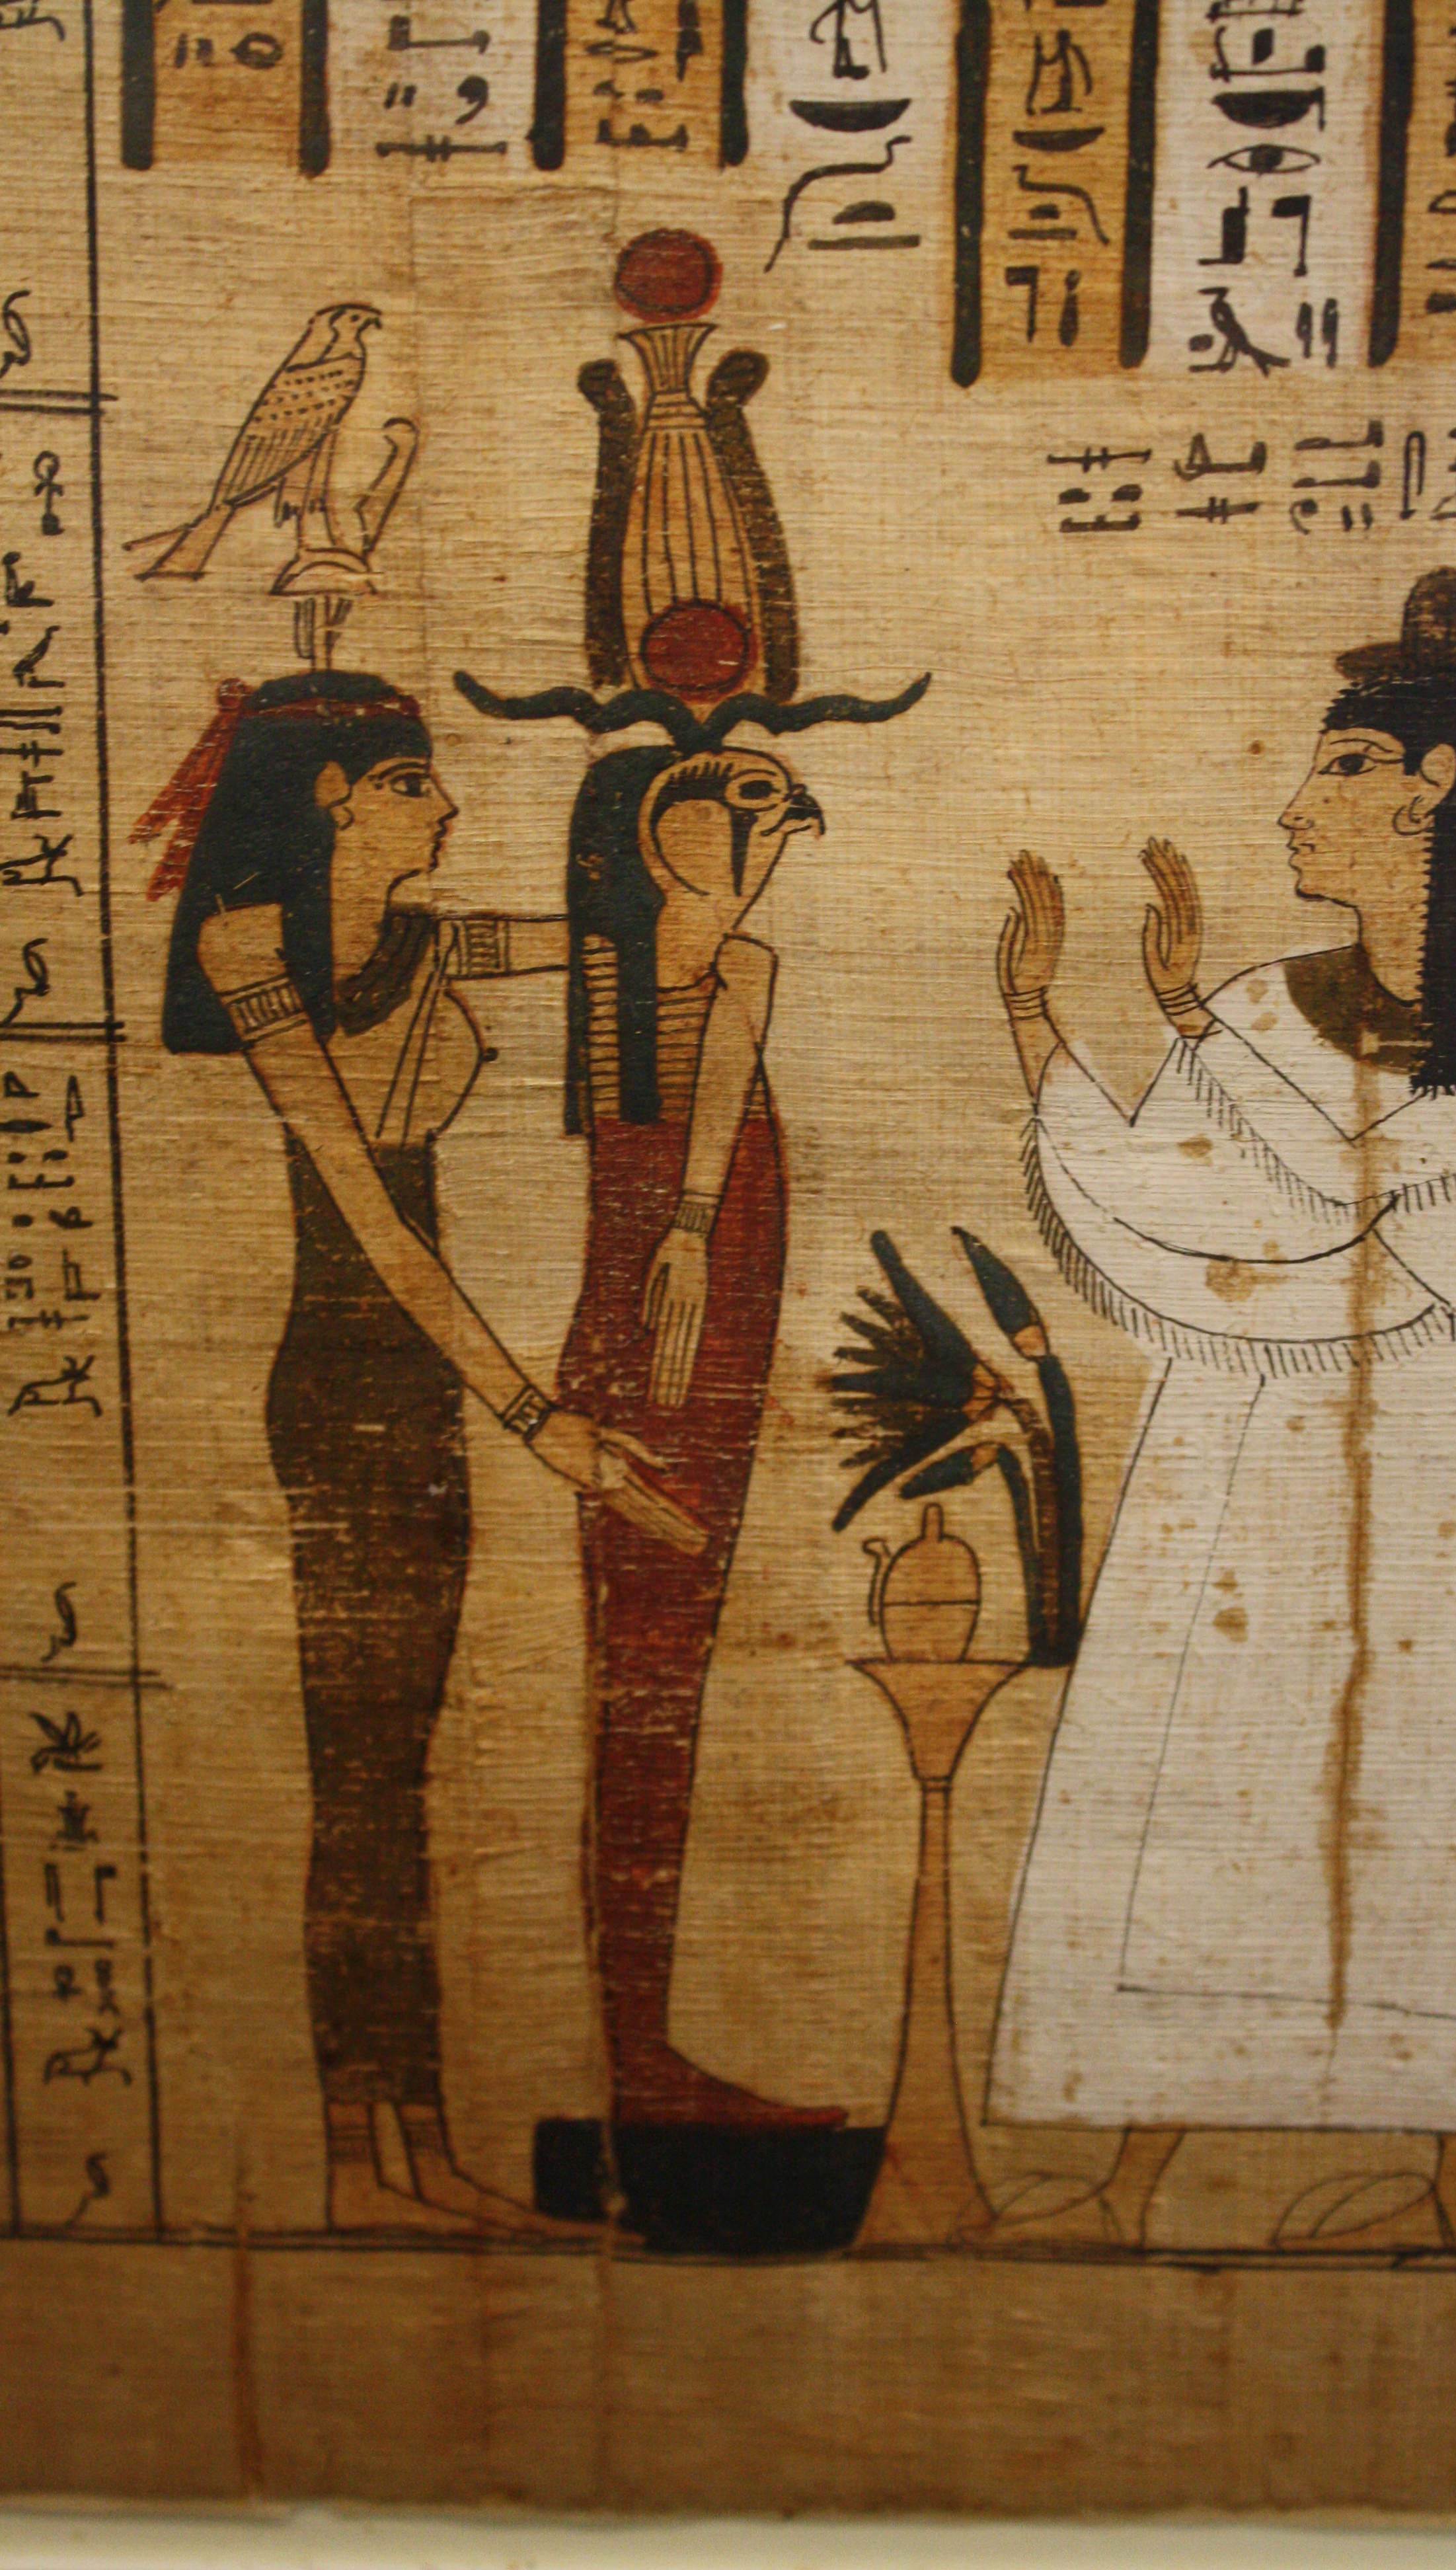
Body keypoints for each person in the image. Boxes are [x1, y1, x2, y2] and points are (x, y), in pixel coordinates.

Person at [983, 570, 1456, 2250]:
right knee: (1188, 1773)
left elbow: (1367, 1182)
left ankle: (1454, 2188)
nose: (1296, 804)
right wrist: (1039, 1015)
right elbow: (1169, 1197)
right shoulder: (1275, 999)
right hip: (1227, 1424)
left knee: (1400, 1781)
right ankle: (1132, 2177)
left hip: (1412, 1431)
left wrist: (1187, 1019)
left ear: (1436, 787)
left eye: (1341, 767)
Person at [151, 670, 702, 2235]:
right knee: (363, 1778)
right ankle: (361, 2155)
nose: (448, 809)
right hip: (346, 1378)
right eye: (415, 785)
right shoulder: (251, 950)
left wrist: (678, 897)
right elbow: (375, 1222)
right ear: (334, 796)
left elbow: (586, 942)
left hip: (419, 1388)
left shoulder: (411, 943)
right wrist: (542, 1422)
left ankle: (411, 2145)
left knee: (397, 1774)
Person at [551, 740, 847, 2128]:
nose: (773, 829)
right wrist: (677, 1236)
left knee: (667, 1670)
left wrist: (687, 1229)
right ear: (658, 834)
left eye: (776, 807)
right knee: (643, 1672)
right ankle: (631, 2054)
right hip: (649, 1336)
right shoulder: (596, 967)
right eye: (742, 805)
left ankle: (641, 2046)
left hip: (713, 1314)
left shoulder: (743, 971)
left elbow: (710, 1158)